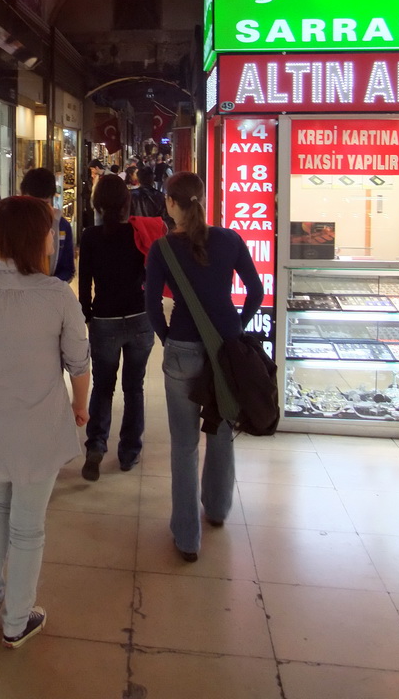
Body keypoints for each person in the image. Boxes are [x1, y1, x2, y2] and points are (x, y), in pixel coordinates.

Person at [0, 195, 90, 649]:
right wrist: (80, 407)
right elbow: (78, 364)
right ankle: (16, 620)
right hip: (38, 424)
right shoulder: (56, 296)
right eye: (49, 230)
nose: (54, 237)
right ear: (36, 238)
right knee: (28, 525)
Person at [145, 171, 263, 563]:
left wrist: (168, 338)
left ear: (172, 203)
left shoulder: (162, 249)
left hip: (182, 348)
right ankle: (216, 509)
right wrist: (236, 327)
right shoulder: (230, 240)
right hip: (225, 351)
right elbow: (256, 291)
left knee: (183, 445)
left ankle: (186, 536)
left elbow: (150, 307)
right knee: (222, 430)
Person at [78, 174, 158, 480]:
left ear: (97, 204)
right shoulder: (138, 234)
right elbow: (150, 277)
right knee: (133, 387)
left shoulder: (90, 236)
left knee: (103, 386)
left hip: (105, 320)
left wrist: (88, 315)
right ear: (128, 202)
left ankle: (96, 445)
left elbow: (85, 283)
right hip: (139, 317)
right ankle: (129, 452)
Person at [0, 166, 75, 281]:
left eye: (43, 204)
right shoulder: (3, 221)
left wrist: (49, 286)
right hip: (7, 293)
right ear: (21, 196)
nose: (37, 211)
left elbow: (67, 269)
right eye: (31, 204)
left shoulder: (60, 225)